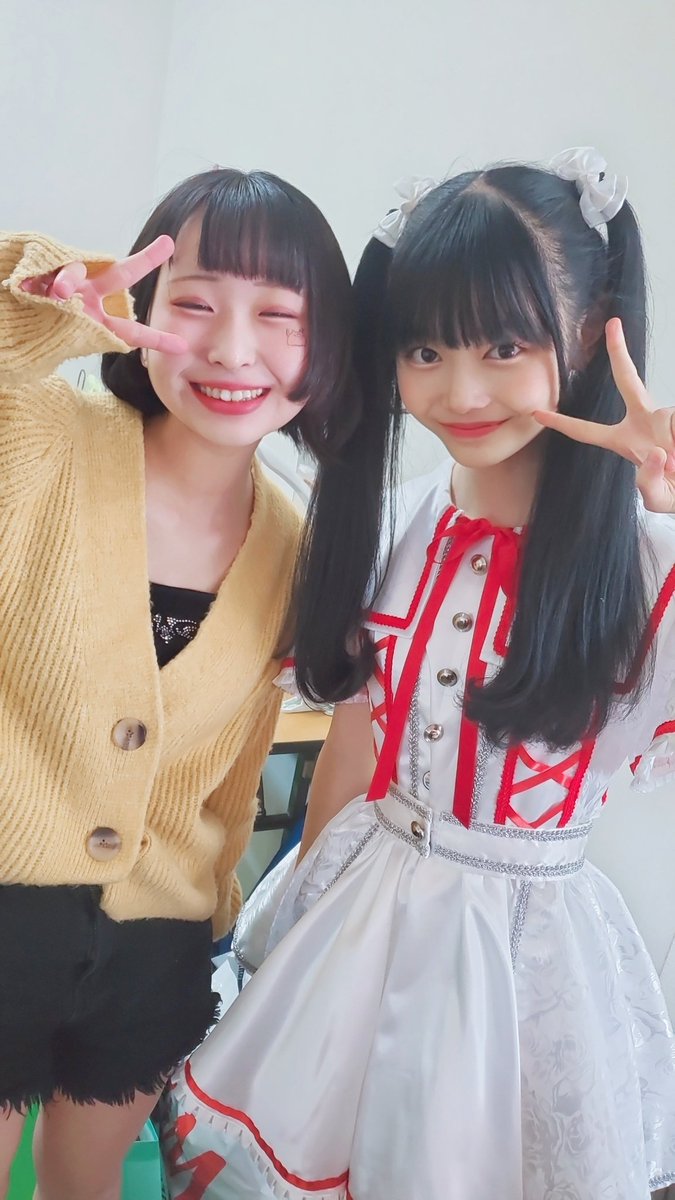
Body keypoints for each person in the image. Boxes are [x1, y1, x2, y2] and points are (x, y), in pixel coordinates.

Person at [162, 150, 675, 1200]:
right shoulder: (396, 528)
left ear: (589, 334)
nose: (461, 390)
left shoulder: (645, 565)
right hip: (361, 909)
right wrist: (296, 914)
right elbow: (353, 744)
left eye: (503, 345)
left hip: (527, 961)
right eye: (425, 348)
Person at [0, 166, 357, 1200]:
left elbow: (234, 773)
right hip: (7, 904)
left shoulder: (301, 547)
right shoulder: (42, 441)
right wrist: (46, 299)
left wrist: (206, 923)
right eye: (194, 303)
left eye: (278, 317)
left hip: (155, 940)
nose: (232, 350)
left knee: (90, 1183)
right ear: (140, 305)